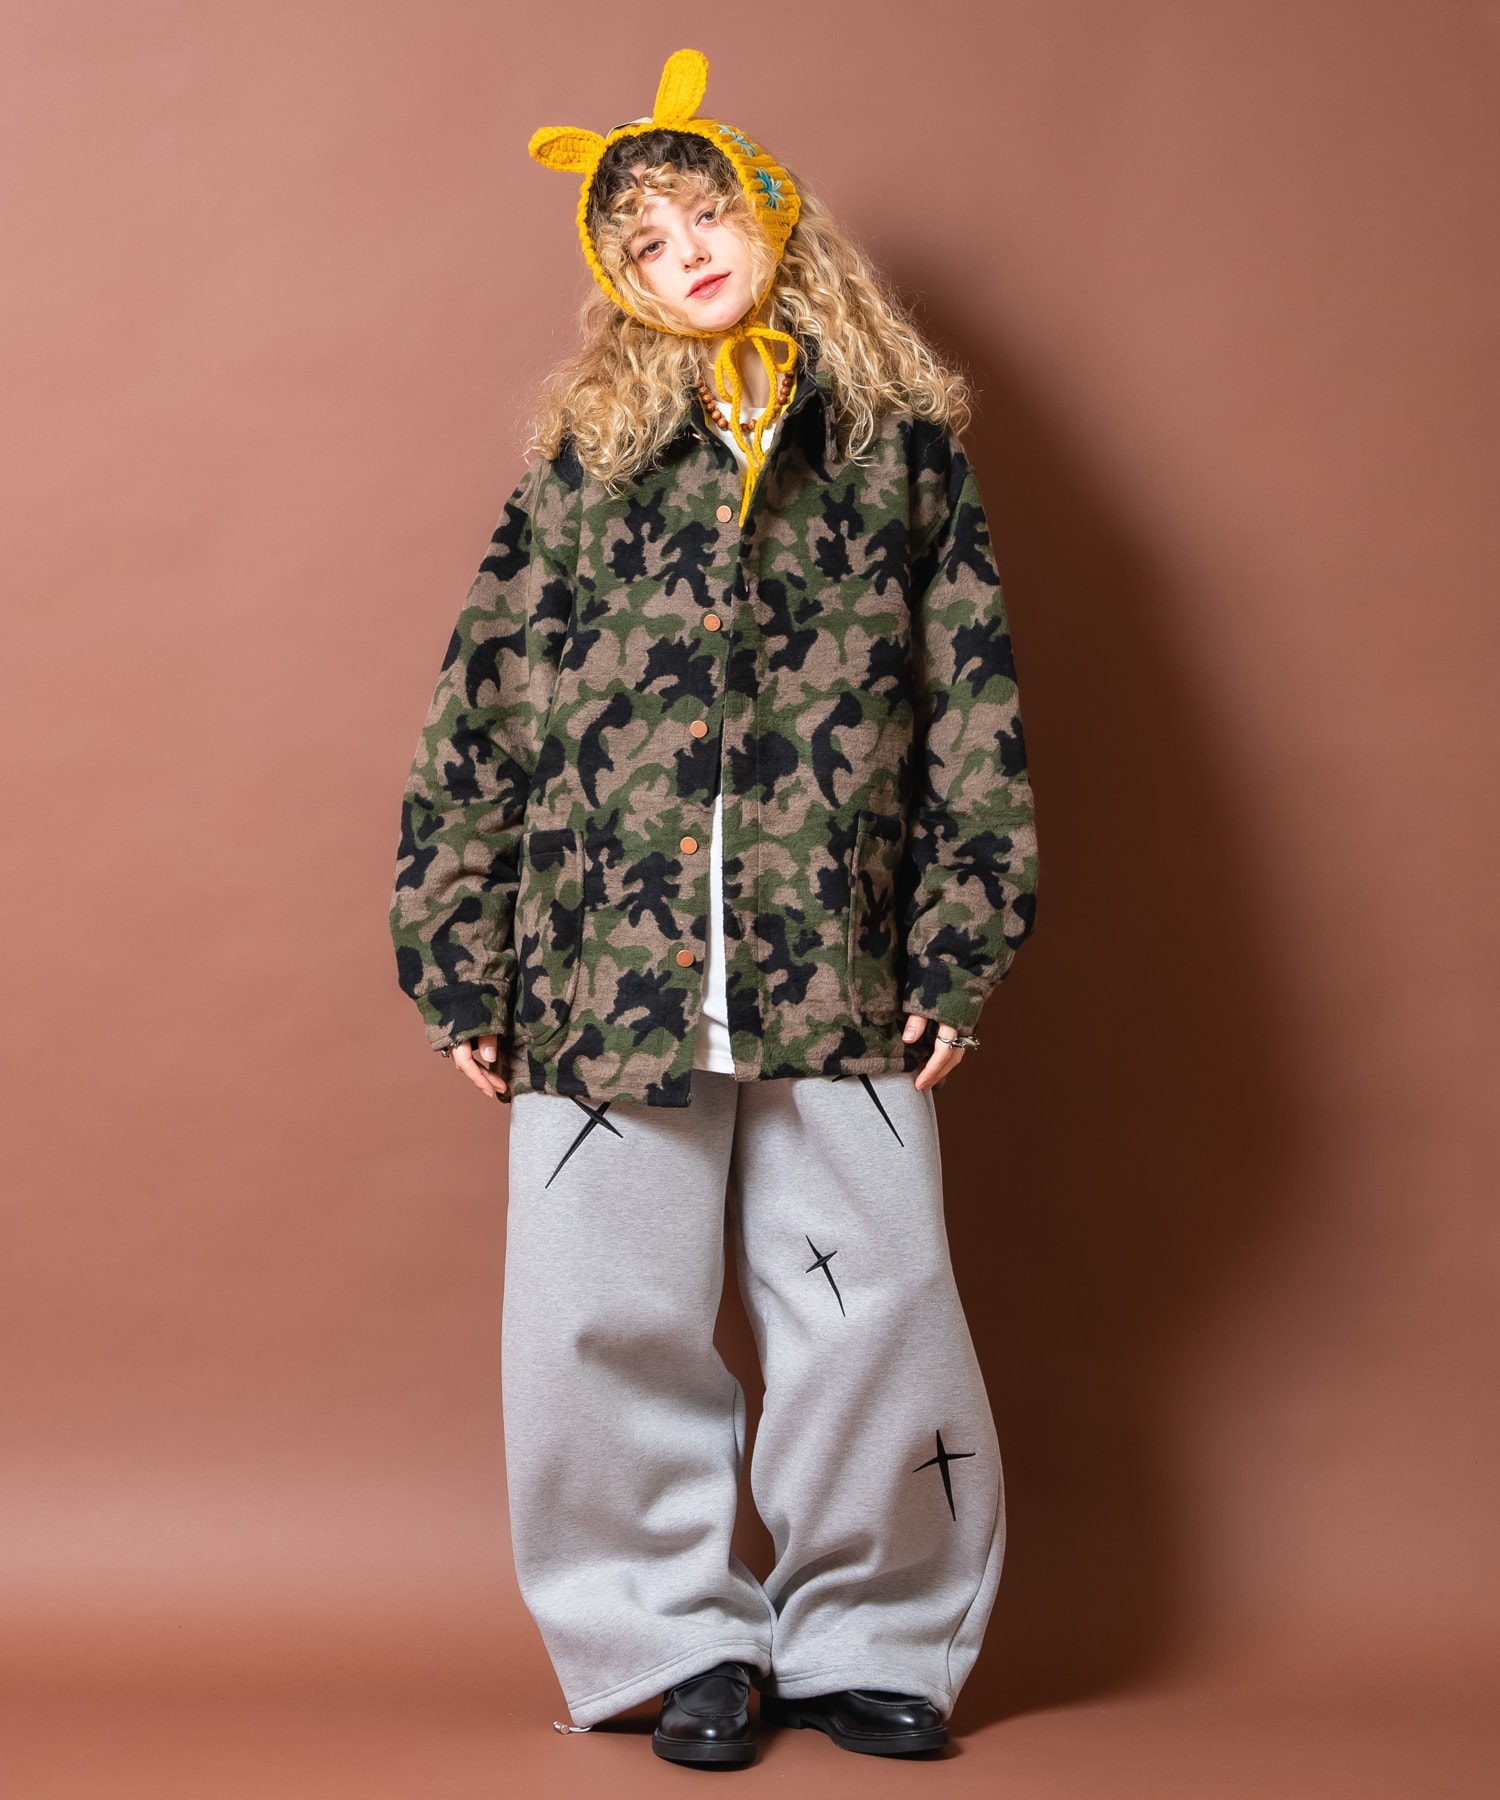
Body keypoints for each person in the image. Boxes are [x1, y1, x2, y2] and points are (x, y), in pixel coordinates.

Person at [389, 48, 1039, 1768]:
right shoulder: (587, 462)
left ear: (773, 215)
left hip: (837, 949)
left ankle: (876, 1634)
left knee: (871, 1303)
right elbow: (484, 706)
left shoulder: (899, 455)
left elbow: (969, 701)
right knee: (599, 1314)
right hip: (603, 960)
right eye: (644, 240)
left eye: (705, 215)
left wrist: (963, 932)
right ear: (616, 279)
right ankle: (669, 1635)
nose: (683, 253)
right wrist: (460, 950)